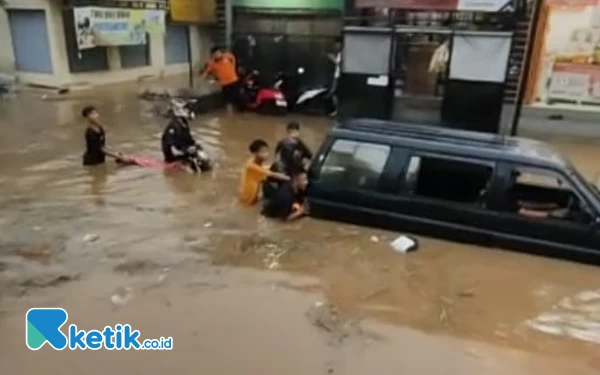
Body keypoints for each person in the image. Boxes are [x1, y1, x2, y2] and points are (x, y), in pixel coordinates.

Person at [161, 99, 211, 172]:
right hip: (174, 156)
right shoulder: (173, 127)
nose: (188, 111)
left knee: (204, 157)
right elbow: (172, 150)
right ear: (178, 111)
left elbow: (189, 139)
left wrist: (196, 146)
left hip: (184, 151)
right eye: (185, 109)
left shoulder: (183, 123)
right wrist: (186, 152)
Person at [239, 139, 290, 206]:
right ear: (255, 153)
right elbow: (273, 175)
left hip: (251, 196)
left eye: (266, 151)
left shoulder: (254, 162)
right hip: (249, 201)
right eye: (263, 152)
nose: (266, 154)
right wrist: (289, 178)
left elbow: (265, 168)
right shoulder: (251, 166)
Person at [200, 46, 240, 114]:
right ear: (212, 55)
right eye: (215, 54)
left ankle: (238, 115)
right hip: (225, 84)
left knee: (238, 100)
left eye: (218, 53)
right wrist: (201, 80)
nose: (217, 55)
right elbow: (205, 73)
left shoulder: (229, 56)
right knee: (228, 101)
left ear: (221, 52)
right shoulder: (211, 63)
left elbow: (233, 61)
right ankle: (230, 115)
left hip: (234, 82)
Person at [327, 37, 343, 117]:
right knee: (333, 93)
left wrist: (333, 59)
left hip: (339, 76)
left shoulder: (343, 53)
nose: (336, 46)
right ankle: (337, 110)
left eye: (337, 44)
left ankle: (339, 110)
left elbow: (340, 64)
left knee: (334, 93)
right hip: (336, 75)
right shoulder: (340, 53)